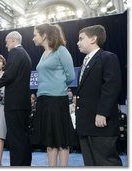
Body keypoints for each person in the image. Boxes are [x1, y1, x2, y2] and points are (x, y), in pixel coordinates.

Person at [75, 25, 122, 166]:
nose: (78, 42)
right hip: (86, 124)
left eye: (81, 38)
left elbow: (111, 87)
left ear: (93, 39)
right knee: (90, 163)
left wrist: (102, 112)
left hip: (101, 123)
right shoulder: (85, 62)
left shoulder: (108, 57)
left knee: (106, 162)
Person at [32, 23, 76, 166]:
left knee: (61, 138)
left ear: (44, 35)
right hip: (43, 99)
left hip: (57, 99)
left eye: (35, 34)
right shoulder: (44, 54)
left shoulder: (61, 51)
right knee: (49, 138)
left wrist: (57, 86)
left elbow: (70, 76)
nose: (33, 38)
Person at [0, 31, 32, 166]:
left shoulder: (15, 53)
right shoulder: (25, 54)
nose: (6, 46)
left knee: (15, 138)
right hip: (23, 103)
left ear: (12, 40)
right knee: (23, 137)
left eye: (6, 42)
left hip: (15, 103)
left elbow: (9, 74)